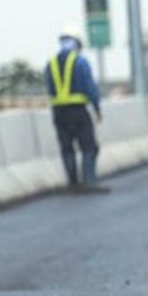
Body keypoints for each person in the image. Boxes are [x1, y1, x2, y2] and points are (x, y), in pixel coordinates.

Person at [45, 25, 106, 192]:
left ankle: (72, 183)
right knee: (89, 146)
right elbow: (90, 87)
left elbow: (49, 88)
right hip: (78, 110)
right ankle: (89, 181)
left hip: (59, 111)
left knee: (67, 147)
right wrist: (97, 108)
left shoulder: (50, 63)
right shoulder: (80, 61)